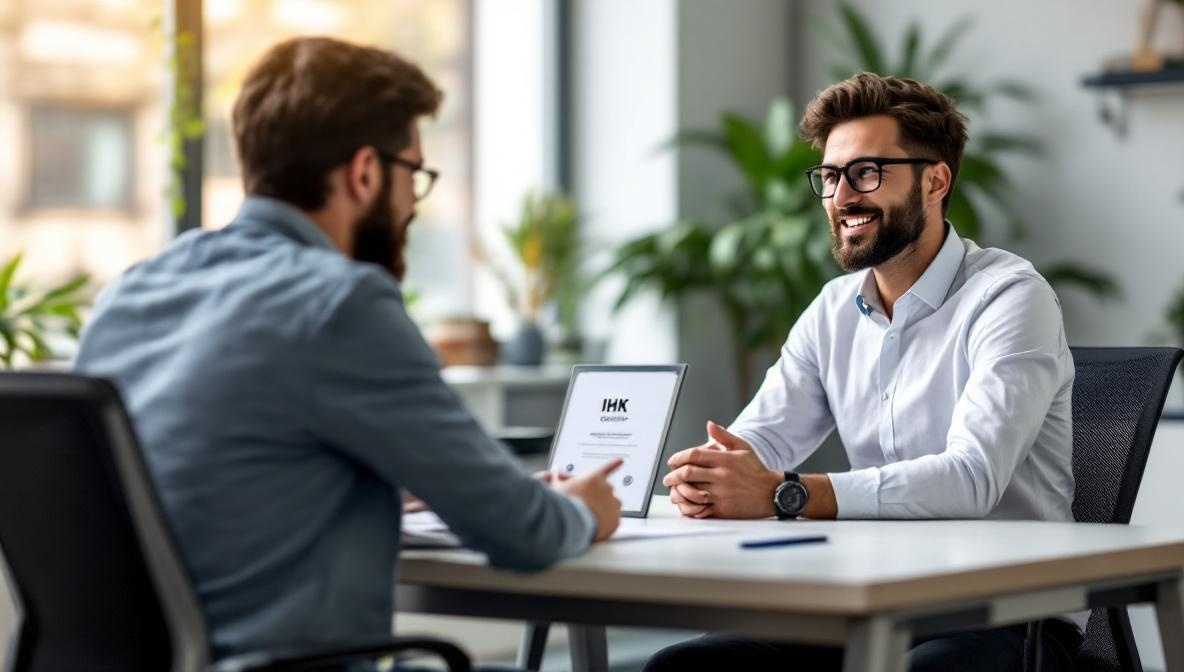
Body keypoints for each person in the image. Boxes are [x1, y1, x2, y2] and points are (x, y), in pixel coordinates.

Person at [74, 36, 622, 666]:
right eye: (414, 175)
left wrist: (376, 486)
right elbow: (524, 532)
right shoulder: (339, 303)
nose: (413, 204)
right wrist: (583, 509)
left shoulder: (133, 292)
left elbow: (211, 480)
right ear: (365, 173)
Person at [648, 73, 1083, 671]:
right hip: (872, 602)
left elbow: (971, 478)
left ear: (935, 181)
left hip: (1006, 613)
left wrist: (782, 493)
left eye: (867, 173)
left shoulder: (1009, 297)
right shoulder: (832, 310)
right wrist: (709, 477)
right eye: (830, 177)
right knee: (685, 667)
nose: (842, 197)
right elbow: (756, 443)